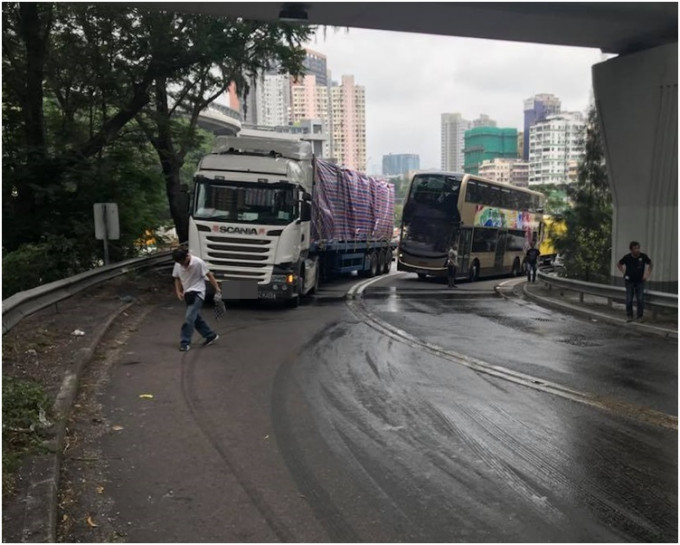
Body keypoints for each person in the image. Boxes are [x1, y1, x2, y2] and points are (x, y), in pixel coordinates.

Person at [172, 247, 221, 352]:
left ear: (187, 256)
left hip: (198, 293)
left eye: (183, 262)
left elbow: (209, 275)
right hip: (187, 294)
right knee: (195, 318)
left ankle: (185, 342)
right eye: (180, 263)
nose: (182, 265)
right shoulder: (178, 264)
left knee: (189, 317)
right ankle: (210, 335)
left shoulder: (198, 262)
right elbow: (177, 278)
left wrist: (216, 288)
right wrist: (178, 291)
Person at [617, 241, 653, 322]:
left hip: (640, 281)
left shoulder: (643, 257)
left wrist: (647, 275)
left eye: (638, 248)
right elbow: (619, 264)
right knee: (629, 299)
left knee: (640, 299)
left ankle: (640, 316)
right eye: (635, 248)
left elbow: (651, 264)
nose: (637, 250)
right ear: (631, 250)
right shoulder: (627, 257)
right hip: (629, 281)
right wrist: (623, 273)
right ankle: (629, 315)